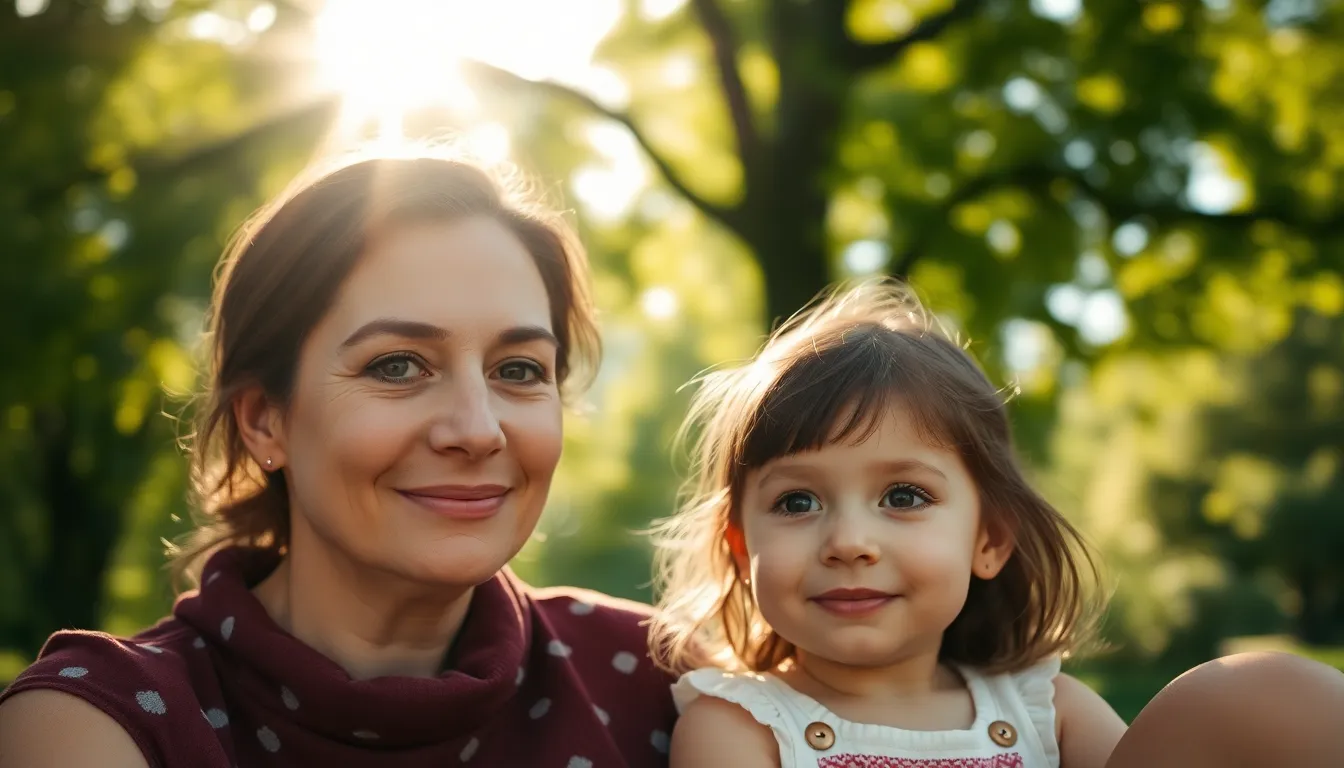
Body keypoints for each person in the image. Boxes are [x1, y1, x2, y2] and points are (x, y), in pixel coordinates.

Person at [0, 148, 679, 766]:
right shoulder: (101, 725)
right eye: (397, 365)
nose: (477, 430)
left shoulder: (668, 687)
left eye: (520, 370)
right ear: (264, 420)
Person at [648, 279, 1344, 768]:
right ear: (741, 548)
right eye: (797, 503)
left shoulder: (1048, 712)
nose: (850, 543)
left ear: (990, 540)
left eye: (903, 497)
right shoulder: (741, 725)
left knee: (1267, 693)